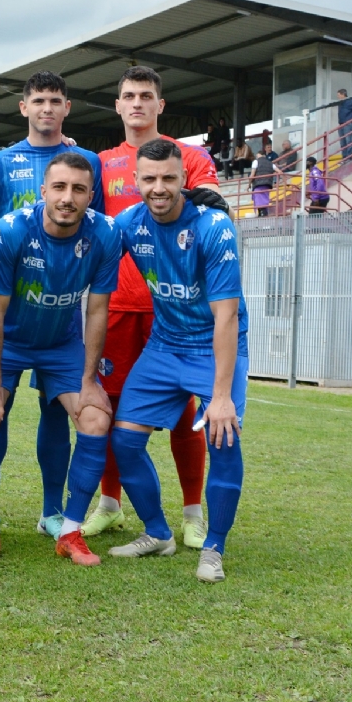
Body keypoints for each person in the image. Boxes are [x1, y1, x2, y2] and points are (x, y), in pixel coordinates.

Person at [109, 138, 249, 584]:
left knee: (222, 436)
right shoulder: (129, 223)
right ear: (135, 182)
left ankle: (214, 548)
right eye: (149, 179)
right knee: (125, 442)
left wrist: (221, 396)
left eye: (169, 178)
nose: (159, 187)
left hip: (213, 347)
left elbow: (226, 315)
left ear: (184, 179)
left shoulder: (214, 227)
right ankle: (157, 533)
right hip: (165, 346)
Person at [0, 153, 121, 567]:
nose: (67, 198)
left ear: (91, 195)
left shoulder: (106, 233)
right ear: (43, 192)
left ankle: (70, 531)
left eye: (77, 189)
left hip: (60, 341)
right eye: (59, 187)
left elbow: (97, 310)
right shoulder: (11, 230)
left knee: (95, 418)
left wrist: (90, 379)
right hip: (10, 340)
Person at [86, 66, 216, 547]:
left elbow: (214, 204)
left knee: (185, 415)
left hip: (173, 309)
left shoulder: (191, 156)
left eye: (146, 95)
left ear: (161, 105)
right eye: (127, 96)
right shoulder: (100, 162)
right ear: (117, 106)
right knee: (113, 409)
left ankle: (192, 514)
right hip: (118, 306)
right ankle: (110, 506)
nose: (136, 102)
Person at [0, 70, 104, 540]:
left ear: (67, 107)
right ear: (23, 107)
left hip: (60, 321)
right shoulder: (0, 163)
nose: (47, 108)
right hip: (9, 316)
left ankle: (52, 510)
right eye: (39, 100)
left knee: (56, 413)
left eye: (56, 100)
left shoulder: (86, 161)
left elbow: (96, 230)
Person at [249, 150, 277, 217]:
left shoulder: (256, 162)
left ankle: (261, 215)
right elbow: (279, 171)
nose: (256, 157)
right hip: (267, 185)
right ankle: (264, 215)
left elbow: (252, 175)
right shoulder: (270, 163)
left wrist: (249, 184)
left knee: (259, 201)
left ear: (259, 155)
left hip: (258, 184)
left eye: (257, 155)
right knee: (265, 200)